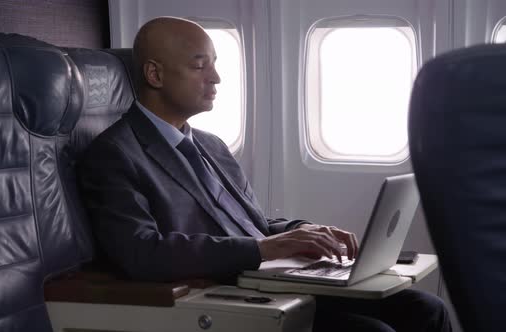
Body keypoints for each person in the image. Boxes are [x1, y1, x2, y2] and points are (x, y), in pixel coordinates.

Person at [78, 16, 451, 332]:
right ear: (155, 74)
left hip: (266, 278)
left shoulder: (211, 145)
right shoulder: (114, 155)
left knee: (426, 309)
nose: (216, 77)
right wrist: (263, 249)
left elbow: (252, 224)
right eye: (199, 66)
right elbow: (142, 253)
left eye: (215, 63)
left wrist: (303, 233)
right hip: (220, 296)